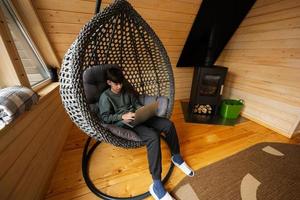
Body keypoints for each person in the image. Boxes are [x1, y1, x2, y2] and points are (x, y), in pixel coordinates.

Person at [98, 67, 194, 200]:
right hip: (127, 123)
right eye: (116, 84)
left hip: (139, 116)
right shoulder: (105, 97)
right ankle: (156, 184)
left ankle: (176, 156)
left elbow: (136, 103)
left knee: (168, 125)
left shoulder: (126, 89)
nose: (120, 86)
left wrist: (142, 110)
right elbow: (105, 118)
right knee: (153, 137)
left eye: (121, 82)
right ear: (109, 82)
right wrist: (122, 117)